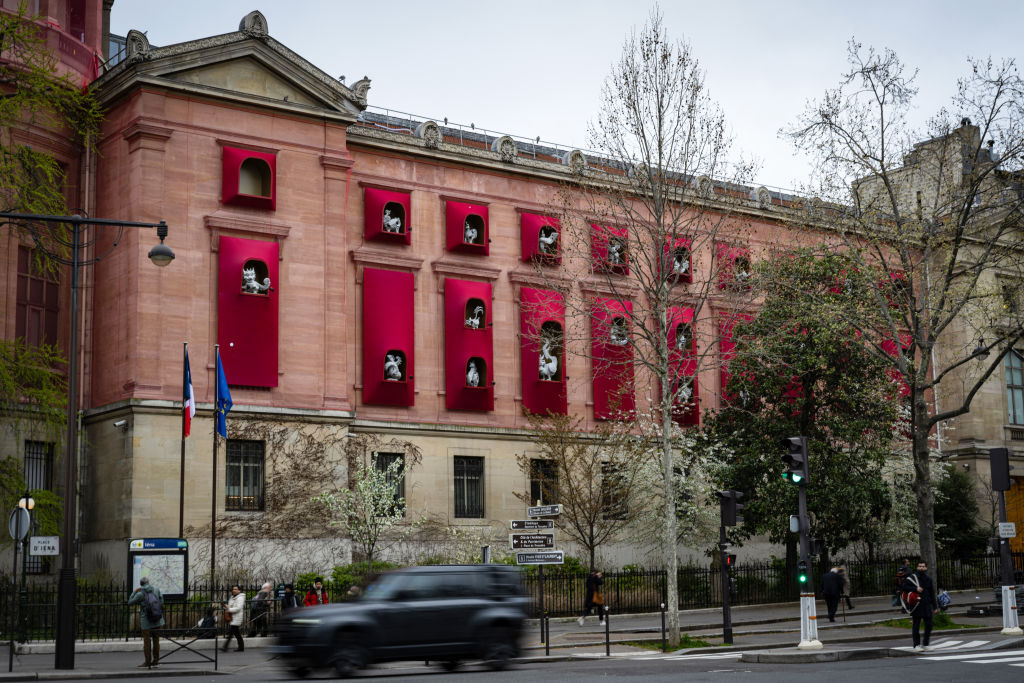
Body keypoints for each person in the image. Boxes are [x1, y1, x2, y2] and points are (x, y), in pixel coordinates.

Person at [901, 560, 939, 651]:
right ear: (917, 567)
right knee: (916, 626)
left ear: (926, 568)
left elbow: (932, 593)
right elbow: (904, 587)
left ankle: (925, 644)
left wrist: (935, 607)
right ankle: (916, 645)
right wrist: (915, 588)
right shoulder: (912, 578)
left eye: (923, 566)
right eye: (920, 566)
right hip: (917, 605)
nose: (921, 568)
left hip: (927, 605)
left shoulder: (928, 579)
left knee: (929, 625)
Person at [127, 577, 165, 668]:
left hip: (146, 621)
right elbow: (162, 601)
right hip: (157, 620)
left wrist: (134, 592)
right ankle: (156, 661)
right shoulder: (156, 589)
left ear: (141, 584)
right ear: (148, 582)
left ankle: (147, 662)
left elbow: (130, 602)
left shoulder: (140, 593)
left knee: (147, 642)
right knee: (156, 641)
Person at [222, 585, 246, 652]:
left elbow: (238, 608)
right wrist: (226, 606)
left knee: (231, 633)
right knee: (237, 634)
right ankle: (241, 647)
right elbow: (230, 606)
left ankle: (225, 647)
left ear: (239, 590)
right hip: (233, 617)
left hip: (237, 618)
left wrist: (229, 609)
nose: (234, 590)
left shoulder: (240, 598)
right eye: (233, 589)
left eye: (235, 589)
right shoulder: (232, 597)